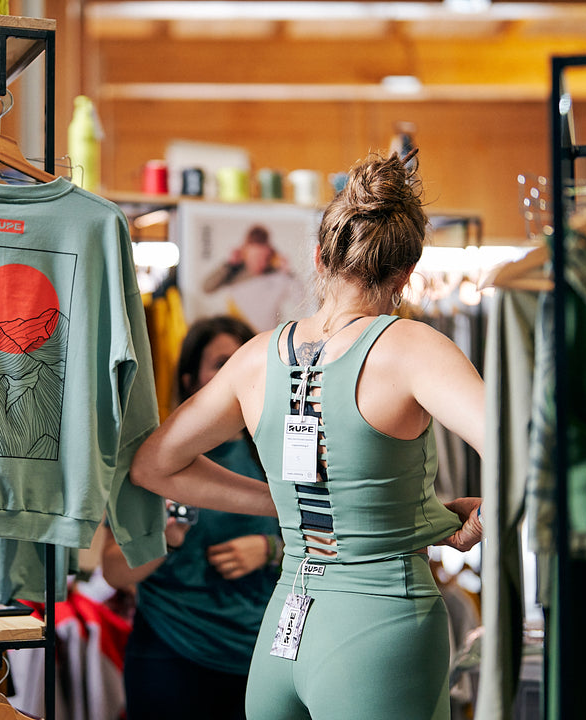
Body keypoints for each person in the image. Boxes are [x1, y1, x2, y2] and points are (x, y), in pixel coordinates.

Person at [130, 149, 485, 720]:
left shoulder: (254, 358)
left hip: (284, 629)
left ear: (319, 257)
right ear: (406, 273)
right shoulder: (413, 348)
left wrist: (285, 502)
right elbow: (527, 456)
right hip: (380, 629)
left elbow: (153, 465)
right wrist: (474, 522)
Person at [102, 315, 283, 720]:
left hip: (258, 654)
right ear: (189, 380)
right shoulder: (153, 459)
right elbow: (114, 571)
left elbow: (322, 541)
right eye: (221, 364)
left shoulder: (275, 454)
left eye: (244, 363)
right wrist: (164, 538)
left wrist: (270, 549)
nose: (237, 376)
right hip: (171, 651)